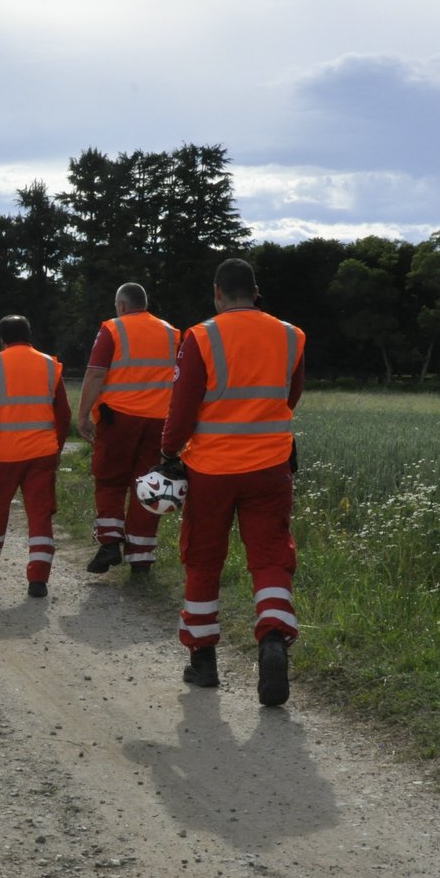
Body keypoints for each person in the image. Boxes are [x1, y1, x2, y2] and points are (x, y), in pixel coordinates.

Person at [158, 258, 305, 706]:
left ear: (218, 293)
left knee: (203, 560)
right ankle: (274, 638)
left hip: (211, 471)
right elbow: (290, 396)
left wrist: (168, 453)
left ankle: (203, 660)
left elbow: (182, 409)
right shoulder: (291, 335)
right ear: (255, 291)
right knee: (271, 557)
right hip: (270, 468)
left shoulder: (200, 337)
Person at [0, 315, 73, 598]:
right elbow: (64, 414)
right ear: (29, 334)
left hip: (4, 455)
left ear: (2, 338)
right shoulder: (50, 365)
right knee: (40, 514)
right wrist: (57, 449)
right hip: (42, 454)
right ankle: (38, 579)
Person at [77, 282, 180, 577]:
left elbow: (96, 373)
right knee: (149, 486)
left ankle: (110, 543)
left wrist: (83, 415)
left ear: (121, 306)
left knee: (109, 481)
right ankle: (141, 558)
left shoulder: (112, 329)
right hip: (160, 420)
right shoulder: (173, 333)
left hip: (118, 418)